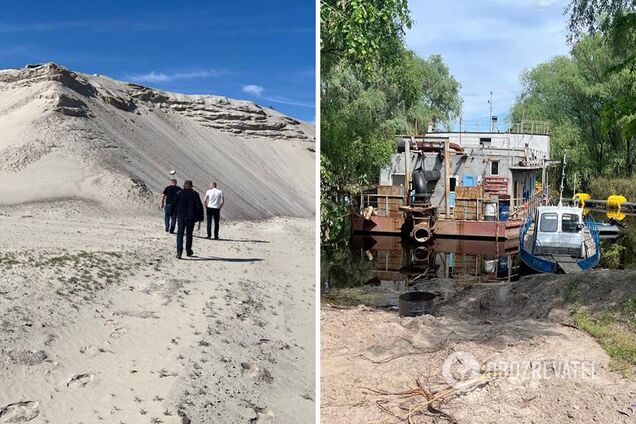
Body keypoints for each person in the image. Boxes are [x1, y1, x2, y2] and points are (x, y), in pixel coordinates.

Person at [174, 180, 204, 259]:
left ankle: (179, 252)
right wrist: (200, 217)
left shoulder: (179, 193)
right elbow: (199, 206)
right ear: (191, 186)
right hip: (191, 217)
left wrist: (173, 214)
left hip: (181, 216)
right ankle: (188, 251)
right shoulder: (195, 194)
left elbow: (174, 204)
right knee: (189, 234)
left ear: (184, 186)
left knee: (180, 234)